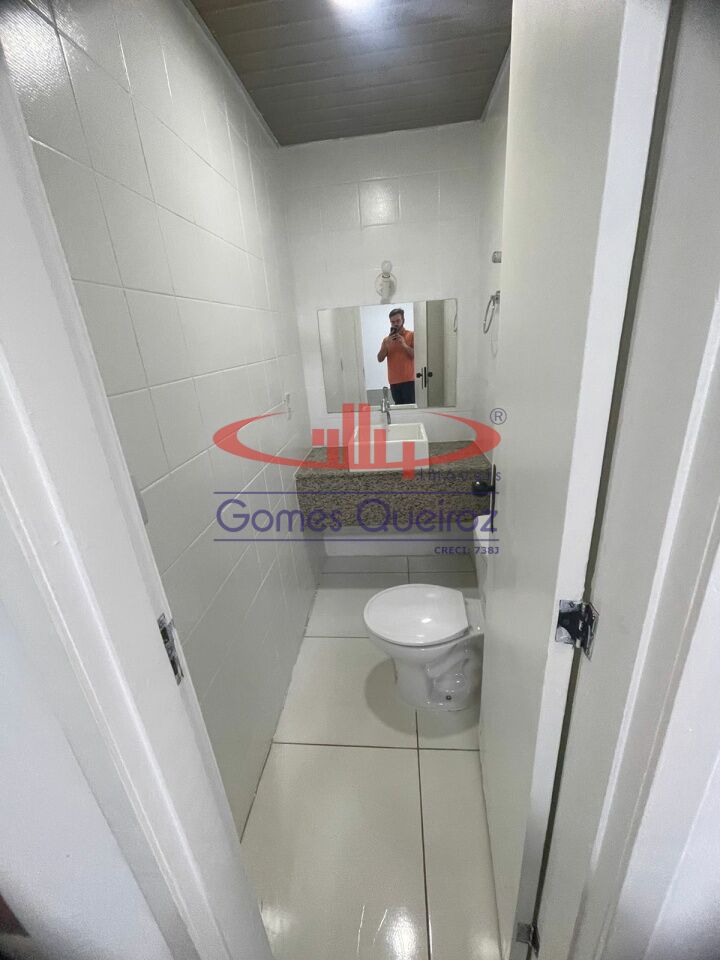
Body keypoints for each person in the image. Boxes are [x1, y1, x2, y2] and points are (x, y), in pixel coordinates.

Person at [376, 307, 415, 404]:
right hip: (394, 382)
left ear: (403, 320)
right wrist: (386, 345)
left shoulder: (411, 335)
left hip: (409, 381)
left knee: (410, 409)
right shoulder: (386, 340)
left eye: (398, 321)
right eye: (392, 322)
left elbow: (416, 355)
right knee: (398, 409)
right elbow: (379, 359)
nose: (395, 324)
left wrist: (404, 344)